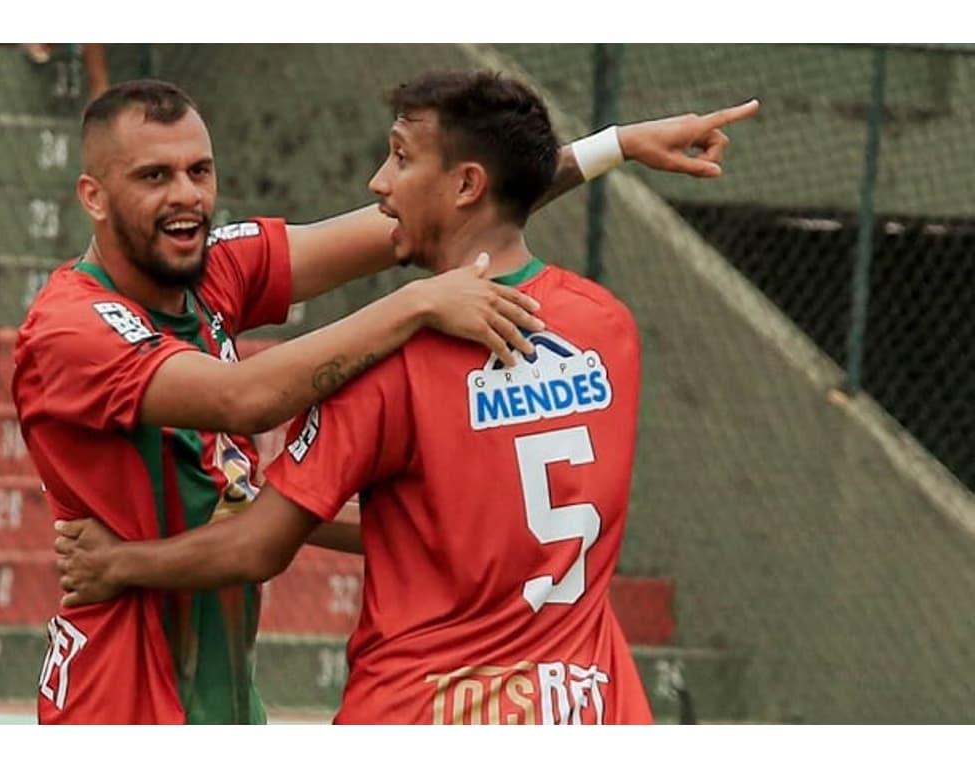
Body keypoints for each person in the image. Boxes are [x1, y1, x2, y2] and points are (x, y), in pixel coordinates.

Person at [53, 71, 760, 724]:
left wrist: (118, 562)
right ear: (93, 196)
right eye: (155, 176)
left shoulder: (376, 364)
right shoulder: (609, 326)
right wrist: (614, 148)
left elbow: (260, 528)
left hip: (413, 709)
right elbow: (244, 396)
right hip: (582, 703)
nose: (377, 182)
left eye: (199, 171)